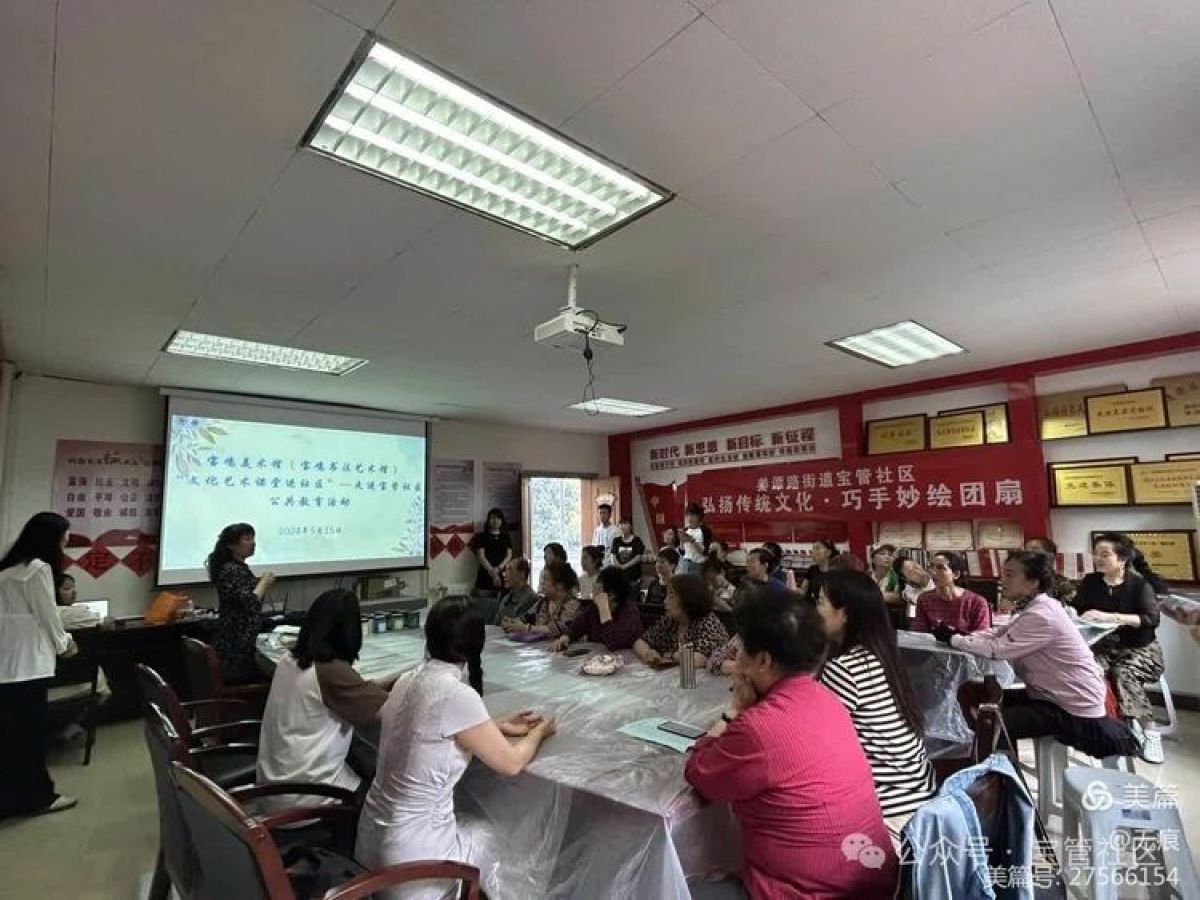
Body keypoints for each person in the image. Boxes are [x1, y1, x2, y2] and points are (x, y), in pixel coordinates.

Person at [685, 590, 898, 897]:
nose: (738, 661)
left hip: (807, 891)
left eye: (742, 652)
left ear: (763, 660)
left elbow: (699, 773)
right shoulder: (827, 699)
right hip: (871, 880)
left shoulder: (758, 727)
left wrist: (734, 712)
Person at [356, 597, 556, 899]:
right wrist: (539, 732)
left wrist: (495, 725)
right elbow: (512, 764)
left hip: (371, 839)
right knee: (502, 840)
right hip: (412, 858)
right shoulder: (456, 694)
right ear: (477, 644)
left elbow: (424, 730)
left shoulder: (407, 680)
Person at [937, 552, 1137, 761]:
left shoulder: (1043, 614)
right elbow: (999, 633)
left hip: (1072, 710)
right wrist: (961, 636)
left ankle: (998, 772)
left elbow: (997, 649)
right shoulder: (1038, 606)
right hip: (1050, 697)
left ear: (1033, 582)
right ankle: (1001, 759)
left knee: (991, 721)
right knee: (976, 693)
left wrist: (954, 639)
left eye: (1010, 575)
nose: (1002, 580)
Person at [815, 571, 936, 834]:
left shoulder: (844, 669)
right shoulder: (883, 656)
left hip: (885, 810)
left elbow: (815, 745)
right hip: (919, 796)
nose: (815, 611)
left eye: (821, 602)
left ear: (844, 613)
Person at [257, 589, 394, 801]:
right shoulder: (331, 671)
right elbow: (389, 712)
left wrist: (400, 678)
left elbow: (359, 689)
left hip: (273, 787)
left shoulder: (289, 659)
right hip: (310, 795)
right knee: (393, 792)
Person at [0, 512, 79, 818]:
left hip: (6, 663)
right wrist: (64, 644)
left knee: (9, 736)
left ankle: (11, 798)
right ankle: (37, 798)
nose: (66, 543)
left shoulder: (8, 569)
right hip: (28, 664)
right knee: (29, 737)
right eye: (64, 538)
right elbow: (48, 614)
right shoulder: (38, 569)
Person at [1074, 532, 1166, 763]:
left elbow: (1150, 619)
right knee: (1088, 670)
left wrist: (1112, 617)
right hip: (1103, 648)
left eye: (1105, 554)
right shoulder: (1091, 582)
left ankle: (1150, 733)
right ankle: (1103, 727)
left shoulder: (1139, 585)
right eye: (1096, 554)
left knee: (1123, 673)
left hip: (1140, 650)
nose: (1098, 559)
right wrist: (1070, 613)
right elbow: (1077, 609)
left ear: (1122, 559)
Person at [207, 523, 274, 683]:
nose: (253, 543)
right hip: (238, 640)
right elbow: (250, 602)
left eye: (253, 538)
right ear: (231, 545)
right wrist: (264, 583)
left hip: (242, 637)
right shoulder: (231, 569)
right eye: (247, 539)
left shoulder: (238, 568)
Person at [633, 574, 729, 669]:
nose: (665, 601)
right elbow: (640, 641)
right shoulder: (671, 621)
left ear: (688, 599)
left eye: (671, 596)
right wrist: (647, 653)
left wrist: (668, 655)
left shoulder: (709, 624)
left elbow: (696, 660)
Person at [551, 566, 643, 653]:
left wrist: (604, 608)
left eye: (598, 586)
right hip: (600, 658)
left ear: (611, 595)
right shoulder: (593, 609)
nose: (593, 589)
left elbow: (614, 643)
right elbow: (576, 626)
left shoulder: (629, 611)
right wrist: (565, 637)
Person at [911, 551, 991, 635]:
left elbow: (981, 638)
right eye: (931, 567)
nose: (933, 572)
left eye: (940, 568)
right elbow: (920, 634)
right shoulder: (924, 599)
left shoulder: (976, 603)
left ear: (956, 574)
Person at [506, 561, 580, 639]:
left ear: (560, 585)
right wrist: (512, 623)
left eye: (546, 579)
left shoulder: (572, 604)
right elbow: (525, 617)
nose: (542, 583)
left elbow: (559, 629)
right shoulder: (543, 602)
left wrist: (527, 628)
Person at [469, 508, 513, 595]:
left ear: (502, 520)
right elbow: (481, 556)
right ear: (488, 520)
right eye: (492, 518)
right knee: (483, 599)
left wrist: (498, 569)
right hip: (485, 572)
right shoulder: (481, 536)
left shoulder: (506, 536)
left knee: (503, 598)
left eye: (498, 518)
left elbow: (509, 555)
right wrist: (493, 573)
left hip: (503, 572)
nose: (495, 520)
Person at [1023, 536, 1075, 606]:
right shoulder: (1020, 581)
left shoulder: (1062, 583)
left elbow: (1071, 609)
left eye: (1034, 549)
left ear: (1050, 555)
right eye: (1026, 550)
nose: (1028, 553)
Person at [492, 558, 538, 627]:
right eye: (506, 570)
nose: (504, 574)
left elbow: (515, 626)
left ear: (522, 574)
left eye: (510, 570)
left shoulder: (531, 598)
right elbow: (496, 624)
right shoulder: (506, 598)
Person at [893, 555, 934, 624]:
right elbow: (912, 617)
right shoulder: (909, 594)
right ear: (906, 579)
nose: (917, 571)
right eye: (910, 572)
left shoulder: (936, 578)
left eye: (915, 566)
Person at [610, 516, 646, 587]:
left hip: (633, 577)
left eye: (626, 523)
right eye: (621, 524)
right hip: (619, 576)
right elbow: (613, 555)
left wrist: (624, 566)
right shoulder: (616, 540)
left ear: (631, 526)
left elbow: (638, 557)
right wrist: (618, 566)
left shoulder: (637, 540)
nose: (623, 526)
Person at [677, 504, 713, 575]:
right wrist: (681, 540)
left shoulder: (705, 530)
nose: (690, 518)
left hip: (699, 564)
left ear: (699, 516)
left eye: (692, 515)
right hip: (685, 563)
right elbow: (682, 552)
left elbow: (705, 552)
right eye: (688, 515)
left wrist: (692, 540)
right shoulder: (686, 530)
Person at [799, 538, 836, 602]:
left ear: (828, 552)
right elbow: (803, 590)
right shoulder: (812, 569)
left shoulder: (836, 572)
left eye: (817, 548)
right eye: (813, 548)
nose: (813, 551)